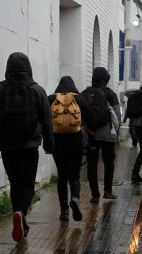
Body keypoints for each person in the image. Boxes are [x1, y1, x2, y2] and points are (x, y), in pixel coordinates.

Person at [0, 52, 54, 242]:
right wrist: (49, 144)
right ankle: (21, 212)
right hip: (30, 145)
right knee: (28, 185)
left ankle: (19, 217)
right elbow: (47, 121)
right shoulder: (37, 90)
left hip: (7, 146)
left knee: (15, 183)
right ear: (28, 68)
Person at [48, 76, 95, 221]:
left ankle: (64, 211)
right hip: (75, 142)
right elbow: (92, 120)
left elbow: (43, 119)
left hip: (57, 142)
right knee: (74, 175)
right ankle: (75, 198)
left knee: (62, 176)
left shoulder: (51, 99)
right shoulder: (79, 99)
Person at [81, 67, 121, 202]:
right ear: (106, 79)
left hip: (91, 134)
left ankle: (94, 195)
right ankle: (108, 191)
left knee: (92, 163)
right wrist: (117, 131)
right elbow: (117, 115)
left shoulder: (85, 93)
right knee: (109, 162)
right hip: (108, 134)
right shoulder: (110, 94)